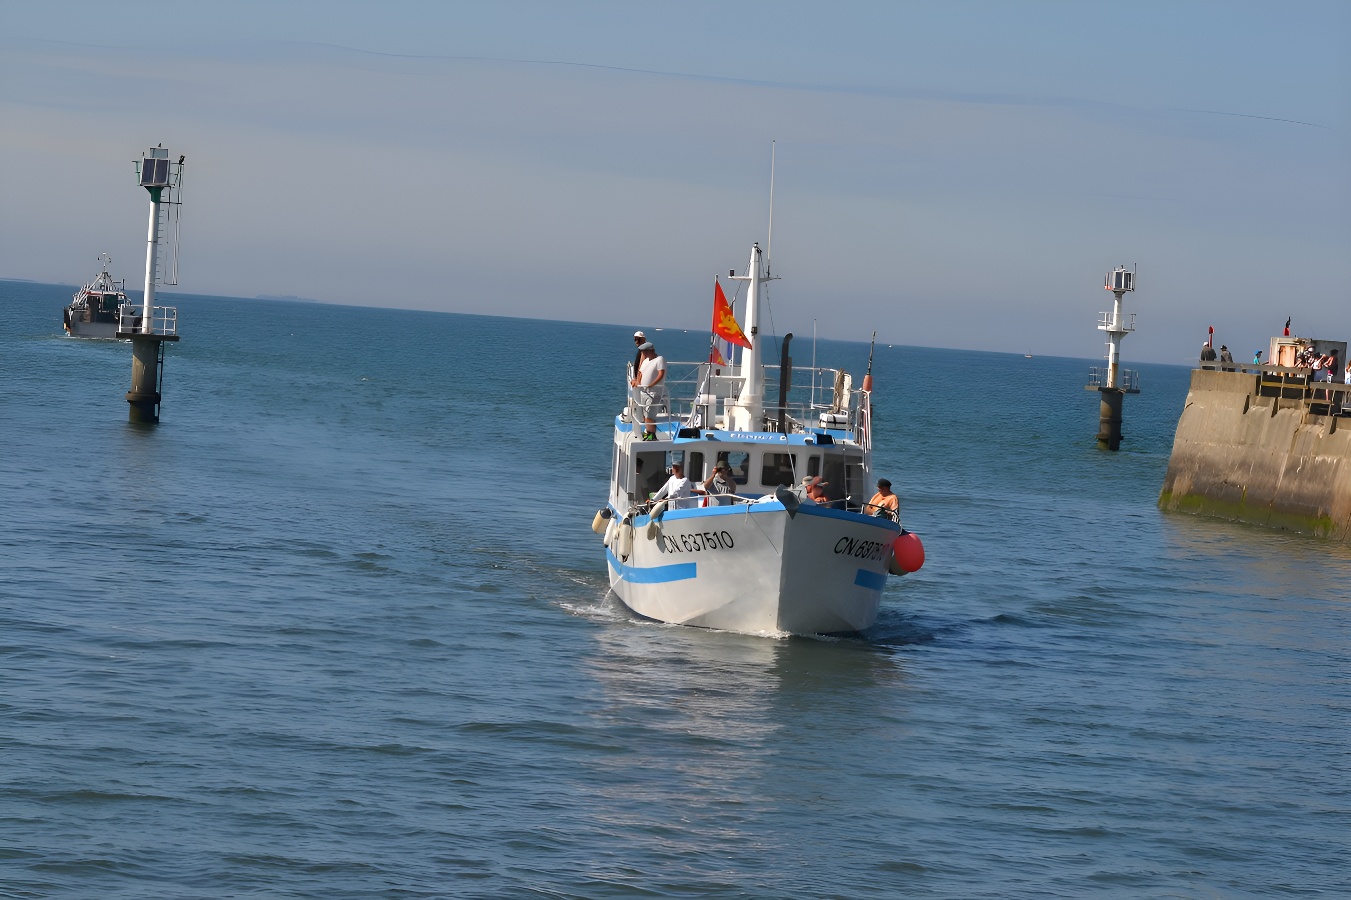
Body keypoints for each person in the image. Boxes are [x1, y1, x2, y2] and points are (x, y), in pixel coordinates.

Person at [630, 342, 668, 440]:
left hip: (653, 392)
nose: (643, 354)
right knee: (646, 413)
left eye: (644, 352)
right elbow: (641, 373)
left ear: (649, 351)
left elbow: (661, 373)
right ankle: (649, 432)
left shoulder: (660, 359)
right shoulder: (646, 361)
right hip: (644, 391)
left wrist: (652, 384)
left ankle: (652, 435)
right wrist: (637, 381)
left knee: (650, 414)